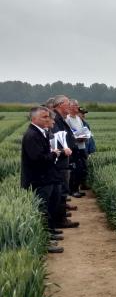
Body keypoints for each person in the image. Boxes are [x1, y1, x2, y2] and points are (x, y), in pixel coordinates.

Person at [21, 106, 64, 253]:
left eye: (48, 116)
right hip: (38, 180)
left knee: (47, 209)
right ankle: (46, 243)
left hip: (44, 178)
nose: (48, 119)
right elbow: (37, 159)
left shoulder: (38, 133)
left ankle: (48, 236)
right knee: (42, 211)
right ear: (34, 119)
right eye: (44, 117)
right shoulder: (32, 135)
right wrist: (54, 155)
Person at [51, 95, 80, 228]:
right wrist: (65, 150)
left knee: (62, 191)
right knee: (61, 191)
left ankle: (60, 217)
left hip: (62, 160)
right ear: (61, 105)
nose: (70, 106)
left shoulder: (59, 119)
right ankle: (60, 220)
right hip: (60, 161)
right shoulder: (56, 119)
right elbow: (56, 140)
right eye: (68, 104)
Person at [65, 99, 88, 197]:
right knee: (75, 169)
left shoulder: (78, 119)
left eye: (77, 105)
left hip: (82, 146)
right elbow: (69, 134)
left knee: (81, 168)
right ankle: (73, 190)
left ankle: (77, 188)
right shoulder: (68, 119)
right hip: (74, 147)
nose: (77, 107)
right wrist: (77, 138)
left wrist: (86, 136)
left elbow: (83, 130)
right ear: (69, 107)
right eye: (75, 105)